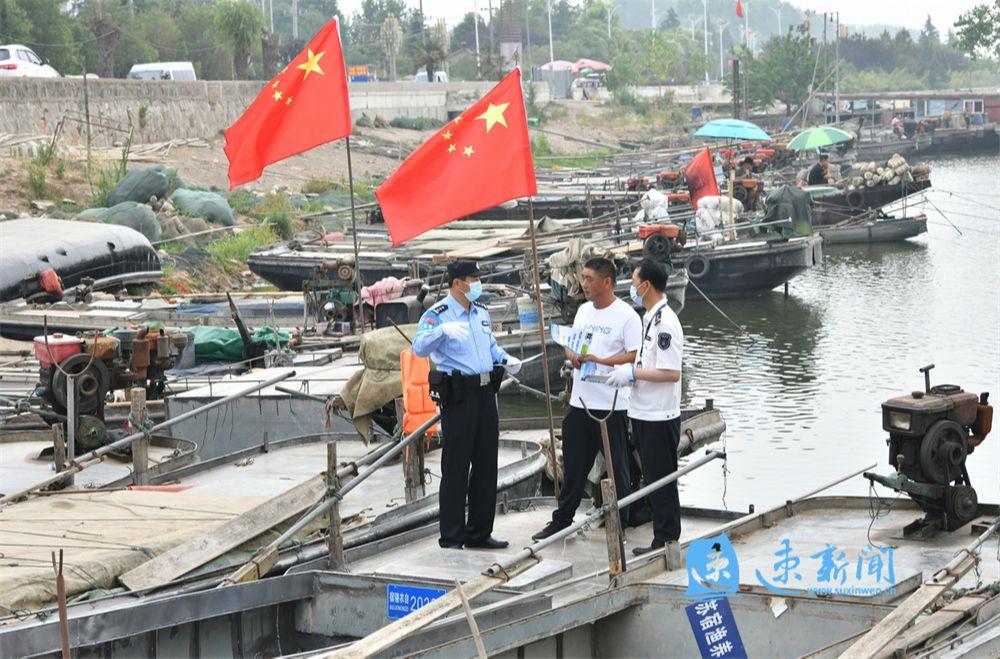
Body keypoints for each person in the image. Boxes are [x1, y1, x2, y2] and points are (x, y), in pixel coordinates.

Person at [412, 260, 521, 550]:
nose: (478, 284)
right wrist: (442, 333)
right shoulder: (439, 314)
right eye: (474, 279)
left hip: (486, 393)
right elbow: (418, 346)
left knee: (487, 465)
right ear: (458, 283)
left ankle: (479, 532)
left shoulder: (481, 313)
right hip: (459, 396)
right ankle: (452, 535)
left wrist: (506, 359)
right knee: (457, 466)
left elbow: (490, 346)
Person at [532, 257, 641, 541]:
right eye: (583, 278)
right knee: (574, 467)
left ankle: (621, 523)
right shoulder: (582, 311)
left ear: (607, 282)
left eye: (589, 279)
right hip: (580, 403)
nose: (584, 284)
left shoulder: (626, 316)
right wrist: (573, 355)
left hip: (611, 405)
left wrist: (602, 360)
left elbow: (634, 356)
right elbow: (573, 342)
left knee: (617, 468)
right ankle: (562, 520)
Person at [605, 259, 684, 556]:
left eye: (634, 282)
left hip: (658, 416)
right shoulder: (650, 317)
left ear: (646, 285)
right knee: (652, 477)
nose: (632, 288)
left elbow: (670, 372)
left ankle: (665, 540)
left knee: (662, 479)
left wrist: (632, 373)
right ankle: (661, 538)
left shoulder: (666, 323)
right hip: (643, 411)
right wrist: (629, 377)